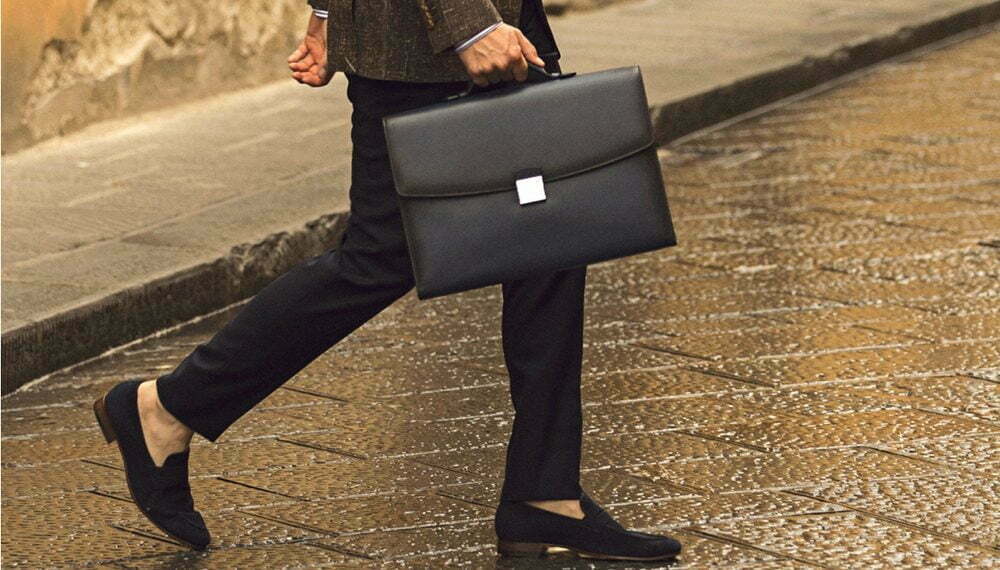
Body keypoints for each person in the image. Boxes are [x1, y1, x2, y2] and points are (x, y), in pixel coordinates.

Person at [91, 0, 682, 561]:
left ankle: (544, 494)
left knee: (550, 240)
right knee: (380, 257)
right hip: (429, 46)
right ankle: (169, 407)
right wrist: (468, 24)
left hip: (459, 29)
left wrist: (329, 12)